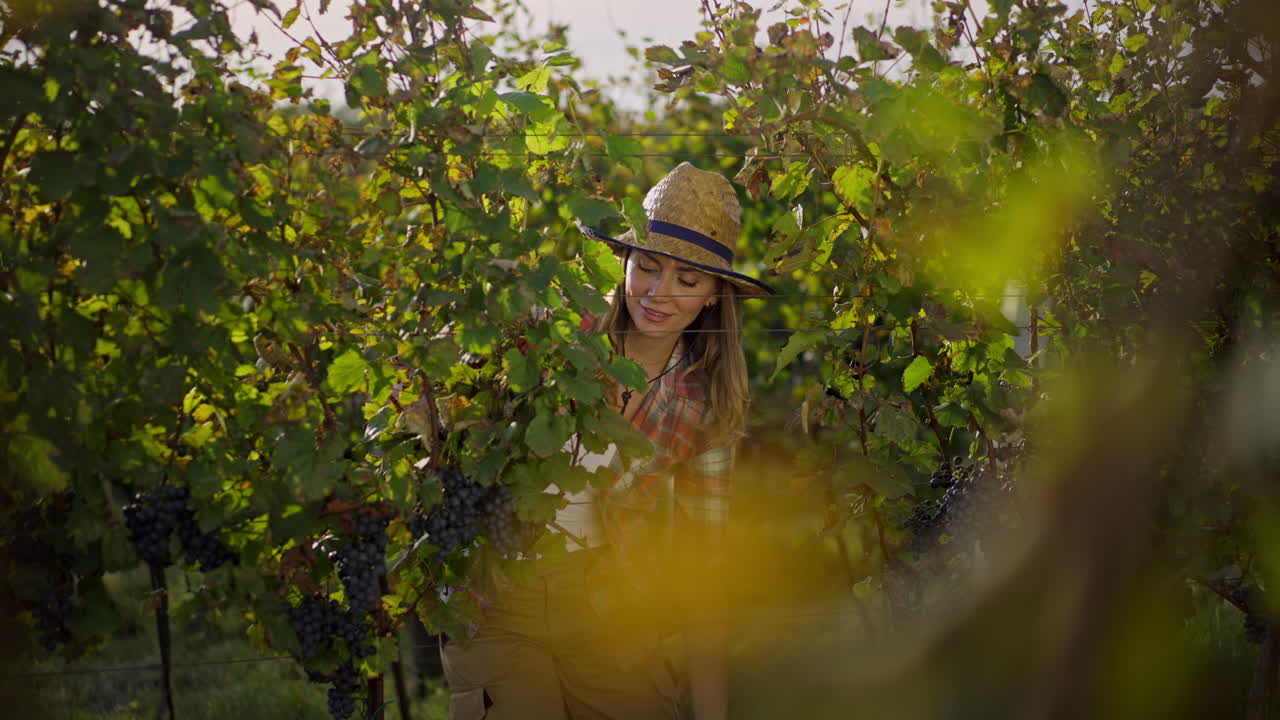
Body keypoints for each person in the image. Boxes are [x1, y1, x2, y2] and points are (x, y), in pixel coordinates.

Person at [440, 163, 774, 720]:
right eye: (647, 267)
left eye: (686, 281)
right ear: (625, 262)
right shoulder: (559, 330)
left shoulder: (707, 403)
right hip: (501, 593)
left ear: (715, 296)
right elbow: (447, 394)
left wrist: (712, 710)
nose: (658, 293)